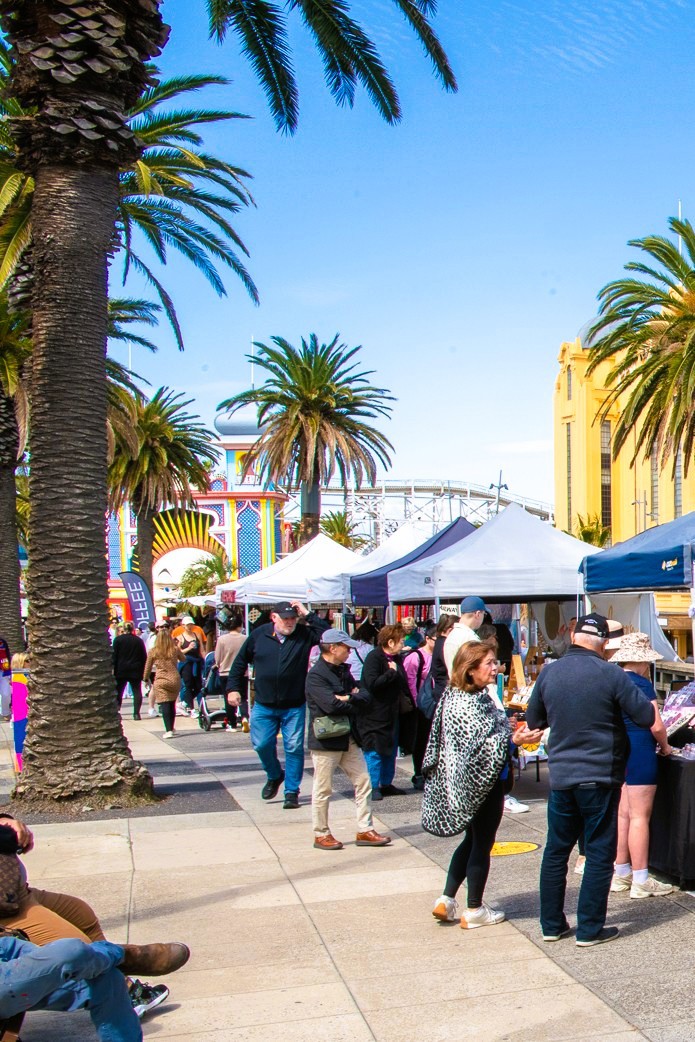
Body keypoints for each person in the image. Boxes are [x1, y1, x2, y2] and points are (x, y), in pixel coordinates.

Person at [526, 613, 657, 947]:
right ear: (603, 643)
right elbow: (645, 715)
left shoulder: (550, 672)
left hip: (562, 775)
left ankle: (551, 925)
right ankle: (589, 928)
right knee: (599, 852)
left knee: (556, 851)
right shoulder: (610, 674)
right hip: (600, 774)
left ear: (573, 637)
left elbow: (534, 719)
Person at [0, 815, 185, 1020]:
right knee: (75, 946)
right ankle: (121, 986)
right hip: (6, 910)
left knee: (79, 913)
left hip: (12, 890)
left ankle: (117, 974)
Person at [425, 640, 542, 927]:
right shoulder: (466, 702)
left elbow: (484, 734)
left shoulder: (460, 696)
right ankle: (474, 909)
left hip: (468, 783)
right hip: (480, 784)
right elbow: (477, 746)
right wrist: (513, 739)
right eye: (488, 663)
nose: (495, 668)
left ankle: (446, 899)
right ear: (470, 669)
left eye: (495, 662)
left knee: (471, 840)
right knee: (482, 843)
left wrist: (507, 727)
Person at [226, 601, 329, 809]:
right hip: (264, 703)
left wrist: (307, 614)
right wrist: (233, 688)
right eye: (285, 619)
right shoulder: (260, 635)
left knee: (293, 747)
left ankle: (292, 791)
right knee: (262, 744)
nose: (290, 622)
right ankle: (274, 774)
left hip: (294, 704)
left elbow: (329, 636)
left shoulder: (303, 634)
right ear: (274, 618)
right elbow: (240, 663)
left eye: (292, 618)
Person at [305, 629, 391, 850]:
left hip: (349, 736)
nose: (350, 652)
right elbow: (331, 706)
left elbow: (365, 696)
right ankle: (321, 833)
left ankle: (365, 829)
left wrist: (348, 697)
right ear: (333, 648)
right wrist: (351, 699)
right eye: (346, 648)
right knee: (323, 789)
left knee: (363, 782)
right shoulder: (316, 675)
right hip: (326, 739)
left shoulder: (343, 670)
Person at [609, 632, 673, 899]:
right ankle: (641, 878)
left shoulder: (613, 679)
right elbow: (656, 724)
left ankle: (621, 871)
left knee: (623, 814)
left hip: (619, 753)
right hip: (640, 751)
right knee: (639, 817)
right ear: (643, 660)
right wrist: (666, 746)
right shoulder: (641, 684)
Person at [357, 623, 409, 801]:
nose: (403, 645)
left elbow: (402, 680)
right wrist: (390, 673)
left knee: (390, 749)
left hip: (392, 712)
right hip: (374, 713)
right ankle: (373, 785)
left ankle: (386, 783)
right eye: (401, 641)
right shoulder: (374, 657)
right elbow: (372, 684)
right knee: (374, 751)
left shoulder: (396, 658)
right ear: (391, 642)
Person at [404, 623, 437, 790]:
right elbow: (410, 681)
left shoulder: (440, 656)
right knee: (421, 741)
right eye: (437, 640)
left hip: (435, 704)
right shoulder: (416, 656)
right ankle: (419, 773)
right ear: (428, 639)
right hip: (421, 706)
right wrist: (417, 703)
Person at [143, 624, 186, 739]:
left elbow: (147, 667)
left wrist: (145, 678)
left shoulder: (153, 651)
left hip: (161, 679)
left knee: (165, 704)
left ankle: (168, 730)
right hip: (174, 678)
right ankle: (172, 727)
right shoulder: (174, 649)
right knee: (171, 704)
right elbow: (183, 659)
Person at [214, 612, 247, 729]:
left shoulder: (222, 639)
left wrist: (218, 664)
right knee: (243, 696)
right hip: (242, 672)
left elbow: (217, 658)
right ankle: (245, 717)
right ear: (240, 625)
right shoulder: (245, 638)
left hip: (225, 672)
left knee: (228, 698)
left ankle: (232, 723)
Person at [112, 622, 147, 721]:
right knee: (137, 691)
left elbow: (114, 656)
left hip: (121, 669)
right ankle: (136, 714)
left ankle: (117, 711)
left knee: (119, 691)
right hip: (135, 669)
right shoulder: (138, 640)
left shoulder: (118, 640)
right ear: (133, 629)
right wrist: (144, 670)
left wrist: (113, 669)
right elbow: (143, 656)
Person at [443, 597, 487, 675]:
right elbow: (477, 670)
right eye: (484, 614)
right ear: (478, 614)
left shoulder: (452, 636)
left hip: (455, 681)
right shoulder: (470, 638)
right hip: (469, 682)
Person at [176, 616, 204, 716]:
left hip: (197, 662)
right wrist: (188, 648)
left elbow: (201, 649)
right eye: (187, 625)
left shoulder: (197, 635)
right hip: (186, 663)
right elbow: (178, 652)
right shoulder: (180, 637)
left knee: (198, 686)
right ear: (183, 626)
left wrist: (205, 659)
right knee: (188, 685)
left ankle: (190, 704)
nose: (189, 626)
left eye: (191, 624)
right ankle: (191, 709)